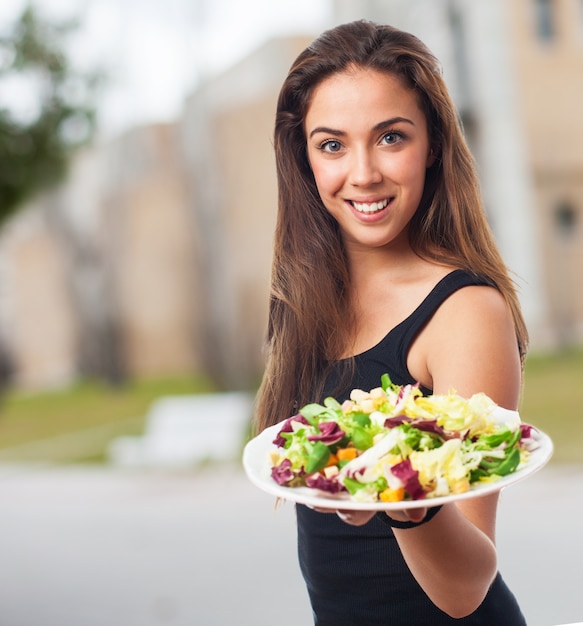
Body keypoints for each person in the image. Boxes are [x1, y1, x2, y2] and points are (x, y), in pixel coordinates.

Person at [254, 19, 529, 625]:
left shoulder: (465, 311)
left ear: (431, 144)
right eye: (332, 145)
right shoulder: (306, 303)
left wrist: (406, 502)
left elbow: (465, 588)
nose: (363, 174)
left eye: (390, 137)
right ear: (303, 158)